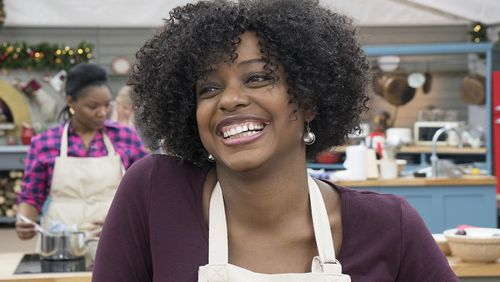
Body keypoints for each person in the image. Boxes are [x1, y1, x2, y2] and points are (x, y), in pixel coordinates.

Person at [93, 0, 458, 281]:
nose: (229, 99)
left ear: (309, 100)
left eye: (256, 79)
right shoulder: (156, 192)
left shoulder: (387, 225)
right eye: (208, 88)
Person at [16, 63, 148, 241]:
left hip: (114, 238)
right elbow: (31, 196)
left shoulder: (125, 137)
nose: (102, 113)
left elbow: (145, 190)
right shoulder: (45, 142)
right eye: (93, 106)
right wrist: (24, 221)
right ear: (70, 101)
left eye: (106, 105)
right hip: (60, 242)